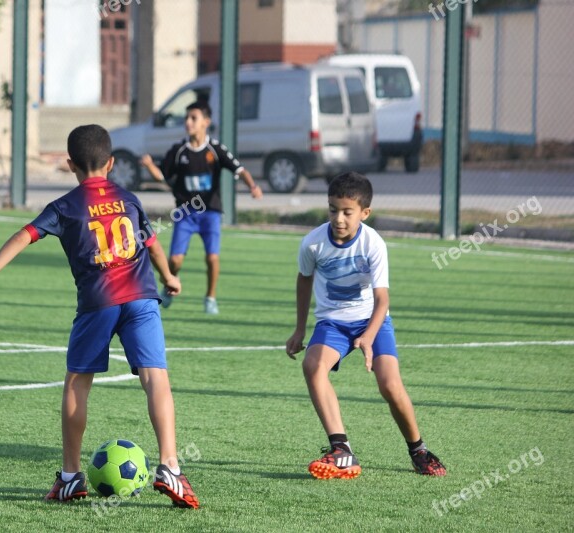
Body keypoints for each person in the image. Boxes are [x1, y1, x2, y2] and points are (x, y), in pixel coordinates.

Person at [0, 125, 200, 508]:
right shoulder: (128, 198)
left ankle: (72, 477)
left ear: (71, 164)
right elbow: (152, 244)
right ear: (111, 163)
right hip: (142, 298)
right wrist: (170, 277)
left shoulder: (66, 205)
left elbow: (23, 235)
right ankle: (170, 467)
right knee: (155, 377)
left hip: (99, 302)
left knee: (78, 382)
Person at [285, 172, 446, 479]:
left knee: (389, 384)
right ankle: (341, 449)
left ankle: (418, 450)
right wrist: (299, 329)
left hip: (373, 320)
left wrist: (369, 337)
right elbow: (304, 280)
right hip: (333, 321)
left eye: (348, 212)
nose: (339, 218)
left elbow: (382, 300)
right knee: (312, 366)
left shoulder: (374, 243)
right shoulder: (313, 243)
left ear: (365, 213)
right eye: (333, 209)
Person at [140, 100, 263, 315]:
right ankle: (170, 285)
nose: (188, 122)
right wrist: (151, 166)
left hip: (211, 212)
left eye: (193, 118)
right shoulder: (178, 150)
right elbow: (162, 175)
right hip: (185, 213)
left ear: (206, 122)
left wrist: (252, 185)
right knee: (175, 260)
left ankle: (210, 298)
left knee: (212, 257)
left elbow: (239, 169)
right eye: (186, 118)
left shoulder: (215, 150)